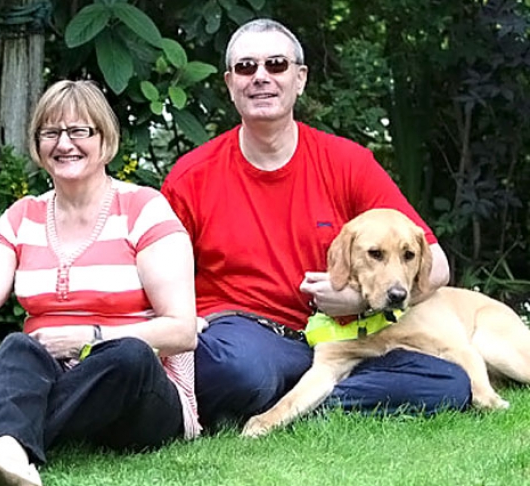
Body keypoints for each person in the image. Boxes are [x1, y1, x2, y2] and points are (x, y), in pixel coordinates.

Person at [160, 18, 471, 431]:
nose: (261, 77)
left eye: (276, 64)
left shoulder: (349, 163)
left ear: (300, 78)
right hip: (247, 334)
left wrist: (360, 301)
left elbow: (437, 265)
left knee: (448, 383)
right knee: (237, 370)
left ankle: (301, 403)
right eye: (246, 68)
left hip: (345, 336)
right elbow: (159, 283)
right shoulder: (191, 177)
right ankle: (293, 394)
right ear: (230, 83)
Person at [0, 80, 200, 486]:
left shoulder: (144, 208)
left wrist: (89, 338)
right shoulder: (22, 216)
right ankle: (8, 454)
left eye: (79, 131)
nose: (64, 144)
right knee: (18, 346)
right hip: (55, 375)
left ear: (105, 140)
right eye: (50, 133)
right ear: (38, 144)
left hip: (142, 388)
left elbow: (182, 331)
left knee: (129, 354)